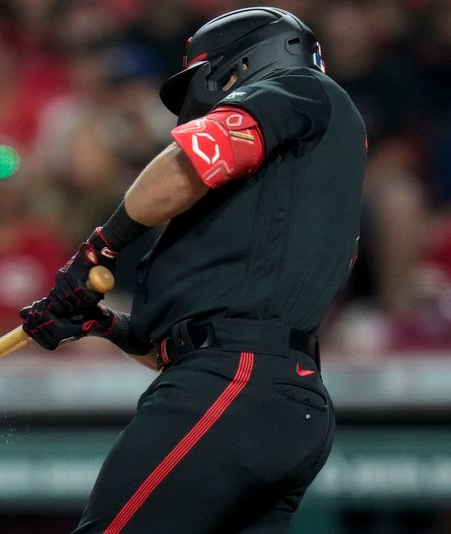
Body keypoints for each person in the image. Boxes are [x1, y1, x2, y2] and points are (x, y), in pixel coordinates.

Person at [20, 7, 366, 533]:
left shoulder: (298, 87)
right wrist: (104, 324)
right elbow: (184, 341)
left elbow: (185, 164)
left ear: (240, 62)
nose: (196, 105)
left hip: (236, 382)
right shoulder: (283, 183)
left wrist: (97, 249)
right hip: (276, 395)